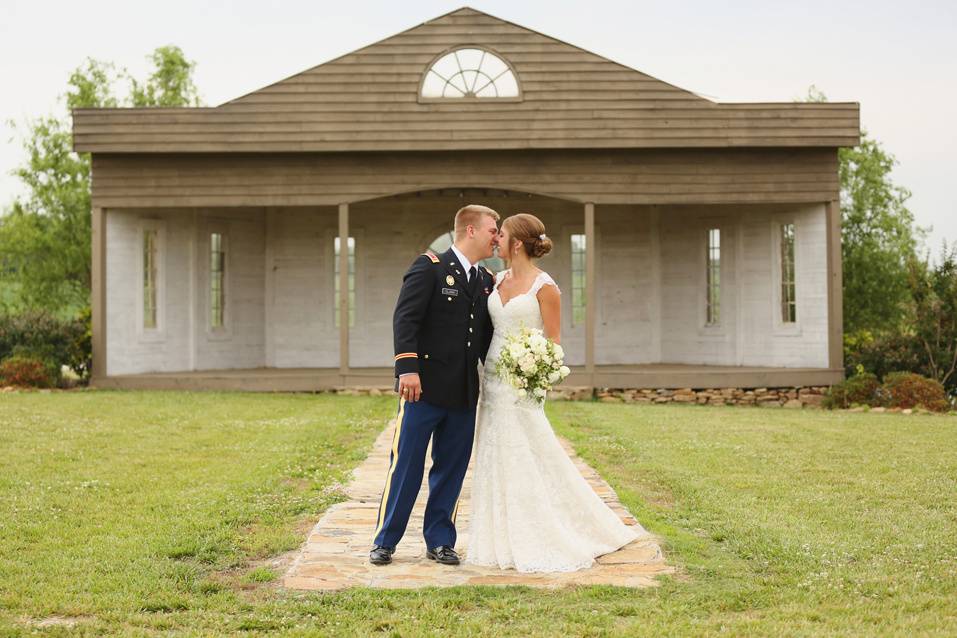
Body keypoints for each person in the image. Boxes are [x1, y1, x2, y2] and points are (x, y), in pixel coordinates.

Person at [465, 213, 645, 572]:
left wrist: (535, 373)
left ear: (516, 243)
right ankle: (496, 530)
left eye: (501, 235)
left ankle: (543, 529)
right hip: (493, 380)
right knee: (494, 449)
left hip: (522, 381)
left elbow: (554, 341)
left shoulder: (545, 287)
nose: (496, 239)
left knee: (528, 451)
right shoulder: (495, 280)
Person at [369, 204, 500, 566]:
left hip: (463, 391)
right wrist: (406, 369)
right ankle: (385, 540)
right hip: (421, 389)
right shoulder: (430, 267)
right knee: (406, 465)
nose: (497, 236)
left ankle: (440, 540)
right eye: (493, 229)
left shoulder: (486, 280)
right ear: (470, 230)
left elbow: (487, 338)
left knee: (452, 468)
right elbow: (405, 319)